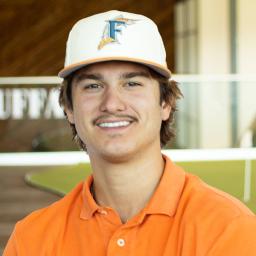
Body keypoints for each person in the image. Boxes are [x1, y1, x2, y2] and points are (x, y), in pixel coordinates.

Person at [4, 10, 256, 256]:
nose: (112, 103)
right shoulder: (32, 239)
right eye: (93, 85)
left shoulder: (228, 228)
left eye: (132, 83)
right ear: (69, 108)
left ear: (165, 103)